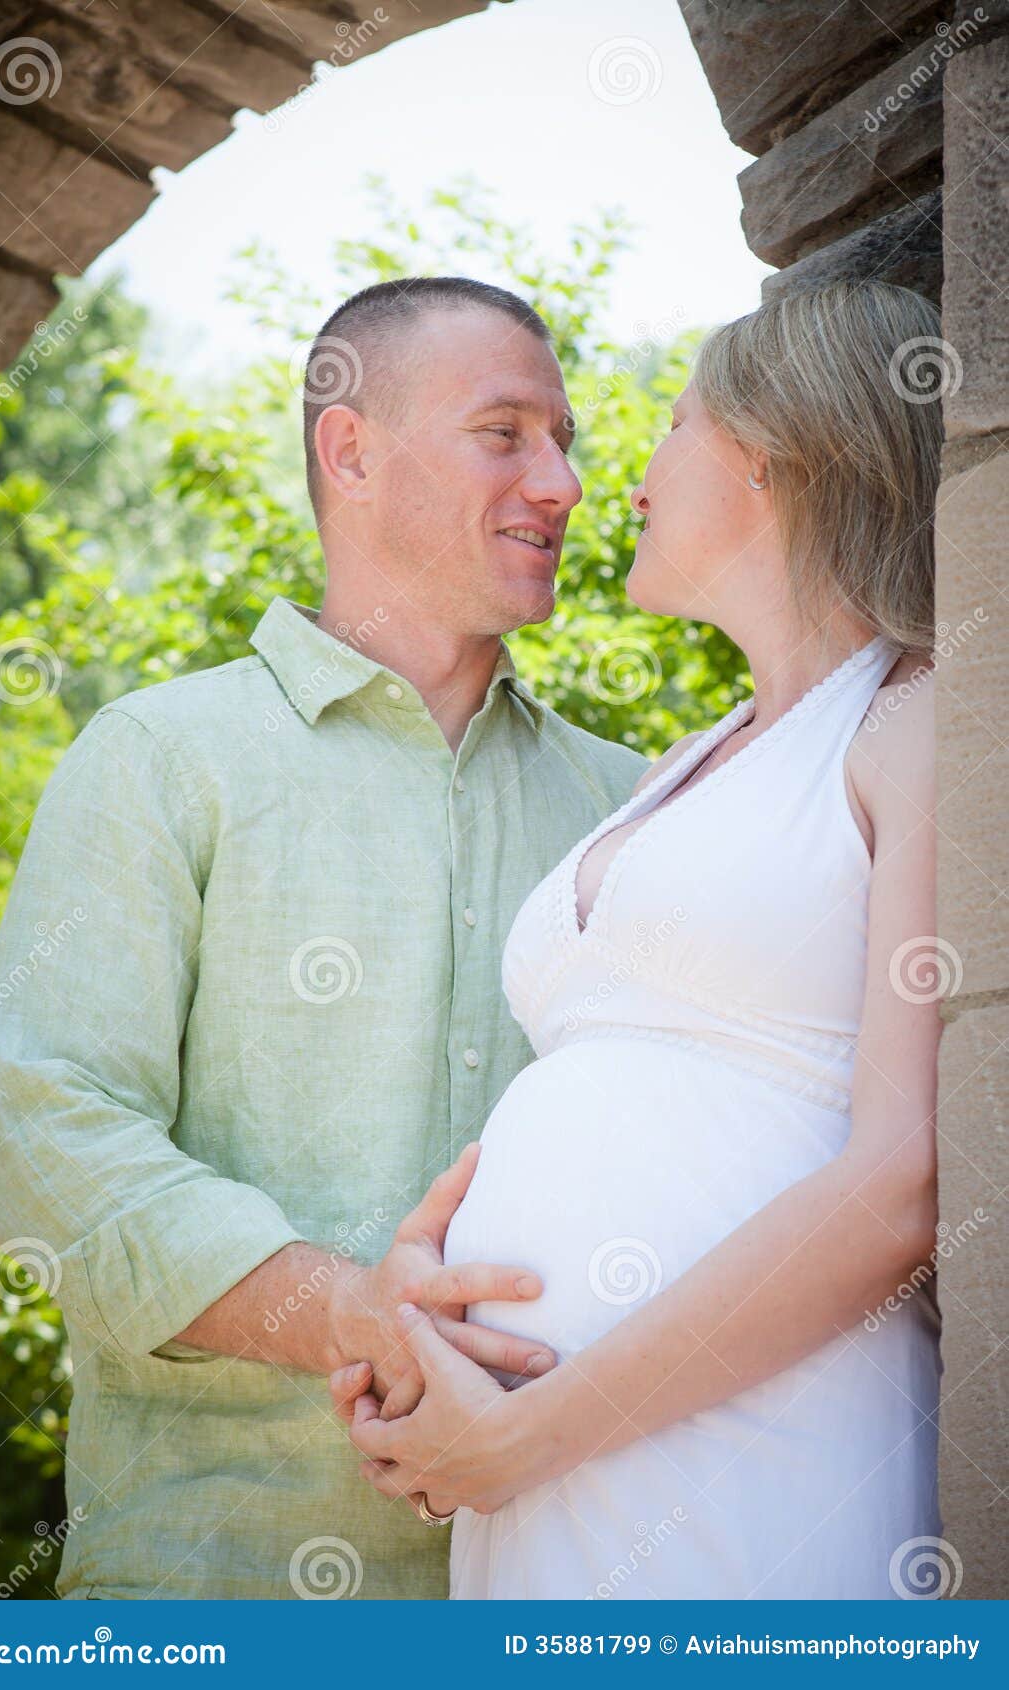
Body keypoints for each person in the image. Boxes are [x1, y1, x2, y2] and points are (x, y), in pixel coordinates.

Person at [0, 277, 648, 1600]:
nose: (562, 480)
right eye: (507, 431)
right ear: (352, 448)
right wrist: (352, 1311)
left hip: (568, 1582)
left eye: (565, 438)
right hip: (215, 1589)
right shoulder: (160, 759)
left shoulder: (634, 808)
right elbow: (51, 1143)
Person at [331, 279, 945, 1601]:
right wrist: (417, 1288)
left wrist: (522, 1434)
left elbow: (904, 1177)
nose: (620, 473)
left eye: (670, 423)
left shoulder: (916, 723)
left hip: (755, 1441)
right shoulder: (678, 767)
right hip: (535, 1469)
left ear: (772, 460)